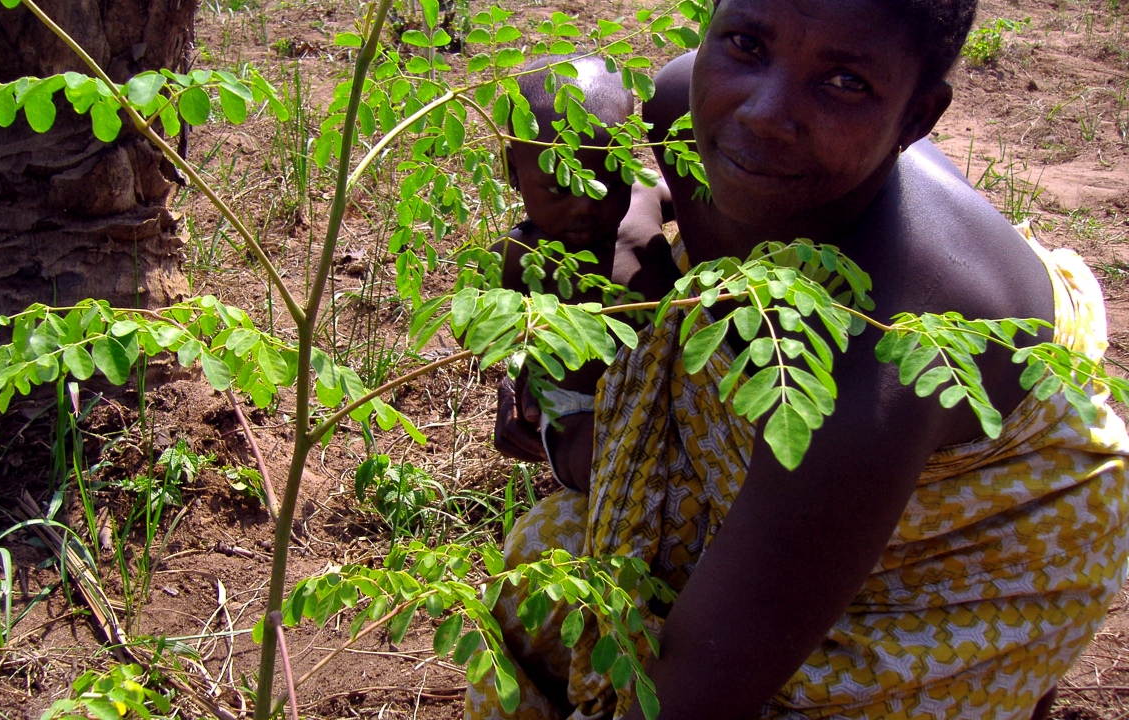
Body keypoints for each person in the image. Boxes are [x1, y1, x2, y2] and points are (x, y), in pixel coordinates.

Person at [471, 0, 1129, 718]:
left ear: (918, 118)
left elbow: (696, 695)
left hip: (962, 563)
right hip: (823, 475)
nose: (762, 112)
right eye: (747, 43)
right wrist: (550, 344)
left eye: (844, 82)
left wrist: (568, 437)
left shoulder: (886, 351)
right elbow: (631, 208)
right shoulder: (681, 109)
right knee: (552, 575)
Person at [497, 55, 679, 491]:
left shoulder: (645, 197)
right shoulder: (518, 257)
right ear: (513, 171)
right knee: (602, 462)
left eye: (609, 179)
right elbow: (498, 339)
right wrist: (509, 385)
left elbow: (706, 204)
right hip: (579, 409)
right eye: (561, 186)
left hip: (670, 386)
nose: (586, 204)